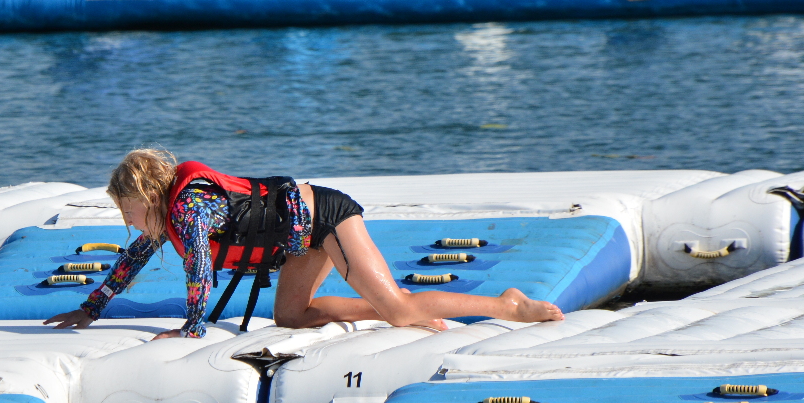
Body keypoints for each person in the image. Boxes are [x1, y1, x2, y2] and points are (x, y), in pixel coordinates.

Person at [45, 149, 565, 340]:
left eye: (128, 210)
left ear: (148, 196)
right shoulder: (166, 216)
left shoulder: (189, 207)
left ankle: (508, 305)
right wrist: (90, 310)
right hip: (297, 240)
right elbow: (132, 259)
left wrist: (193, 327)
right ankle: (398, 308)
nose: (127, 222)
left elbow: (200, 267)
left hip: (326, 219)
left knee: (400, 312)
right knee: (292, 316)